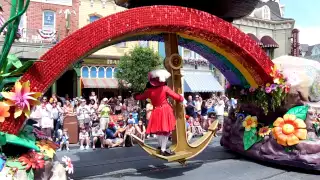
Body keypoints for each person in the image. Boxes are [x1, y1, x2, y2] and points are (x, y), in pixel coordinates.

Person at [134, 69, 184, 156]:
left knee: (159, 130)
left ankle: (160, 146)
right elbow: (176, 96)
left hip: (156, 110)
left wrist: (135, 95)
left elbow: (139, 97)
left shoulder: (149, 91)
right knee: (165, 131)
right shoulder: (165, 88)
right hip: (165, 110)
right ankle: (163, 150)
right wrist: (181, 98)